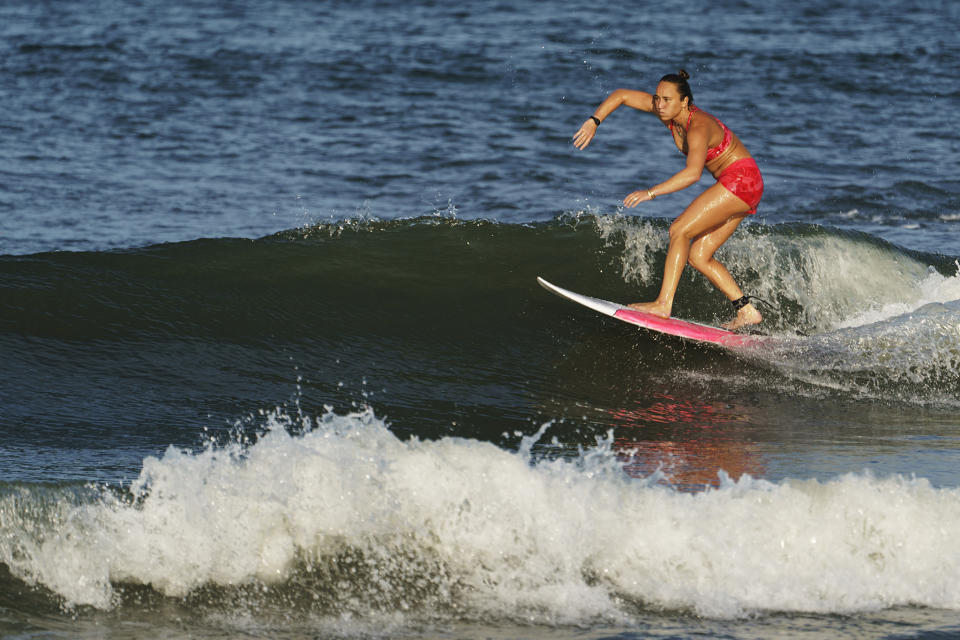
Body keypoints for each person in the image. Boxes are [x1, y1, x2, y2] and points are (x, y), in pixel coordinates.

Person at [572, 70, 764, 331]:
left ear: (684, 102)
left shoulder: (698, 126)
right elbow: (622, 95)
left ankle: (664, 303)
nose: (660, 105)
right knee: (698, 256)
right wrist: (594, 121)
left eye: (667, 100)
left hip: (740, 180)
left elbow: (692, 174)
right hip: (745, 184)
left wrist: (650, 192)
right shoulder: (670, 115)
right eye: (657, 98)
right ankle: (747, 310)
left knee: (679, 230)